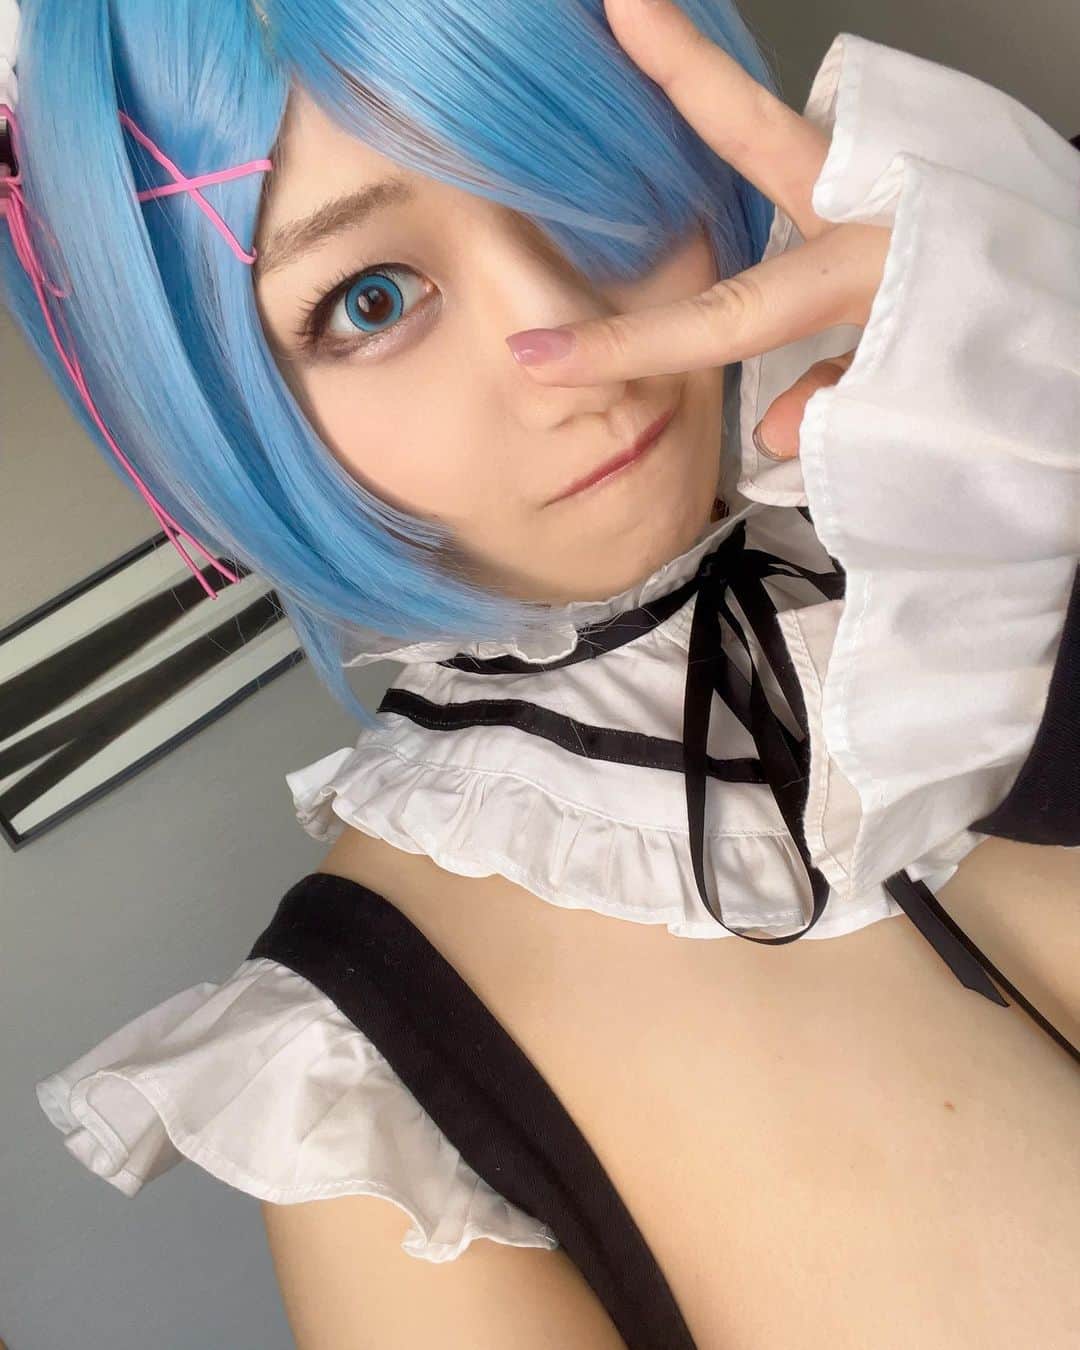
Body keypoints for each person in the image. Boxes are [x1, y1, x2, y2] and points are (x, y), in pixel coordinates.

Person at [5, 0, 1078, 1345]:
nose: (569, 341)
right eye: (372, 298)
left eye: (568, 161)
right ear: (208, 396)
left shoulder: (1007, 459)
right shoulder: (378, 1097)